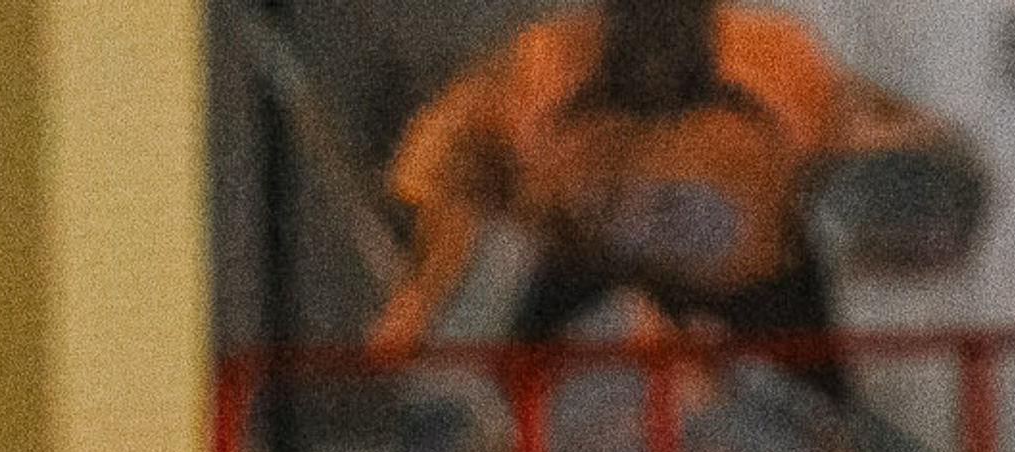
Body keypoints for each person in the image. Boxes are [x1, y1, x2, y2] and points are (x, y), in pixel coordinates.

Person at [366, 0, 979, 367]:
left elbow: (926, 157)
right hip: (591, 319)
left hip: (754, 314)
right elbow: (449, 172)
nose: (658, 47)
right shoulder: (540, 67)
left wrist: (891, 191)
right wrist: (418, 299)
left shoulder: (775, 61)